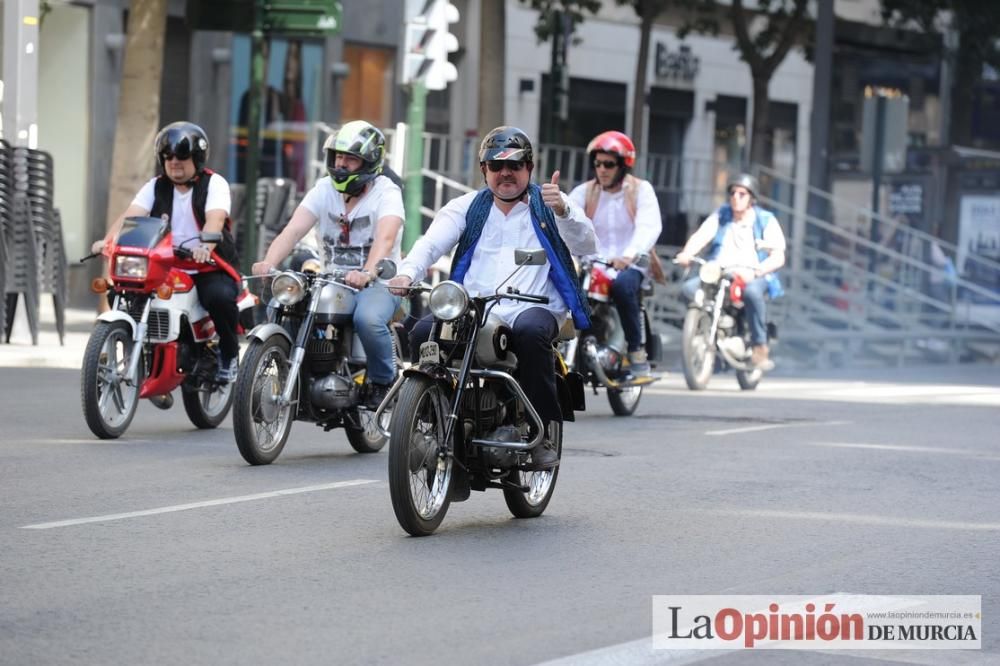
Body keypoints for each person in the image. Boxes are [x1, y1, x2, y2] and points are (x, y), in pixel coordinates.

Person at [387, 126, 597, 468]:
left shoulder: (551, 205)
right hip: (472, 309)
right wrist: (407, 273)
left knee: (529, 335)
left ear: (529, 168)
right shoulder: (467, 207)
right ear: (484, 170)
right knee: (421, 332)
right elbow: (430, 244)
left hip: (534, 307)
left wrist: (565, 212)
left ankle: (541, 431)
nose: (506, 174)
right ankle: (435, 417)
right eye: (496, 167)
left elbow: (589, 245)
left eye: (514, 165)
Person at [252, 120, 404, 408]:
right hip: (330, 280)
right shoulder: (324, 189)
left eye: (350, 158)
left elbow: (385, 239)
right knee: (286, 305)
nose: (341, 164)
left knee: (368, 320)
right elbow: (293, 230)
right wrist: (268, 262)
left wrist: (367, 272)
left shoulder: (387, 193)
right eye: (338, 156)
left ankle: (384, 384)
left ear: (369, 162)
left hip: (379, 282)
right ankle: (291, 368)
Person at [92, 121, 241, 383]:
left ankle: (228, 355)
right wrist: (107, 241)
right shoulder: (155, 186)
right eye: (168, 156)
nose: (174, 162)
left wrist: (205, 248)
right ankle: (142, 351)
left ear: (196, 158)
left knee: (218, 297)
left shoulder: (214, 184)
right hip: (166, 265)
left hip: (207, 265)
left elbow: (215, 220)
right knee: (125, 291)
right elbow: (131, 216)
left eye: (182, 156)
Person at [568, 130, 663, 377]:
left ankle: (635, 351)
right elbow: (567, 216)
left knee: (622, 287)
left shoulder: (641, 190)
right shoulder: (585, 192)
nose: (602, 170)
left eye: (609, 164)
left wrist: (629, 255)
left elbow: (648, 227)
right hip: (593, 266)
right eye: (598, 164)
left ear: (623, 166)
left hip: (631, 265)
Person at [675, 173, 786, 369]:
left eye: (742, 193)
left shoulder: (765, 219)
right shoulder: (722, 215)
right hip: (719, 271)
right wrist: (687, 253)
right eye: (733, 193)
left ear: (751, 198)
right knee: (688, 290)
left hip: (753, 273)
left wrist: (760, 270)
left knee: (752, 293)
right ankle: (704, 329)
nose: (736, 197)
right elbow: (702, 235)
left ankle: (760, 346)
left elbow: (778, 255)